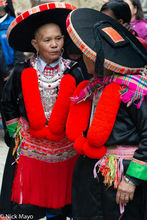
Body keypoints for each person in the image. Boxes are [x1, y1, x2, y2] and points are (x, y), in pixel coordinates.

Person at [0, 2, 85, 220]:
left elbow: (83, 104)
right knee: (29, 202)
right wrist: (14, 131)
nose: (54, 44)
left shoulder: (75, 71)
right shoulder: (22, 70)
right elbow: (7, 101)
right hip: (30, 145)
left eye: (58, 38)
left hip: (64, 146)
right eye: (47, 40)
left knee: (59, 200)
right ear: (35, 43)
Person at [65, 8, 147, 220]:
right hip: (94, 176)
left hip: (122, 178)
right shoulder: (93, 87)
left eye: (87, 53)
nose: (84, 58)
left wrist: (131, 180)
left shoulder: (134, 91)